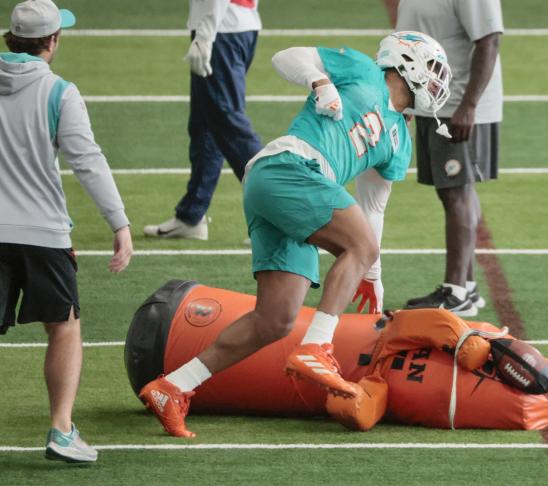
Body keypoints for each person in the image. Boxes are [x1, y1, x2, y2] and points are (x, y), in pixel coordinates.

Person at [138, 31, 452, 437]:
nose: (437, 82)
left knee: (275, 319)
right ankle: (317, 346)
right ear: (407, 60)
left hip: (293, 190)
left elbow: (373, 208)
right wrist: (320, 82)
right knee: (357, 247)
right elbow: (288, 56)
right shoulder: (362, 70)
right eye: (434, 69)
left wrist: (371, 273)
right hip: (287, 168)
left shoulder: (399, 140)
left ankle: (173, 386)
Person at [0, 0, 133, 463]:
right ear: (52, 42)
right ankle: (60, 431)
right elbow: (87, 161)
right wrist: (119, 223)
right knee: (63, 328)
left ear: (9, 38)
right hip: (43, 233)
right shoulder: (60, 92)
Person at [392, 0, 504, 316]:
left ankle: (454, 293)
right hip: (432, 102)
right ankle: (466, 287)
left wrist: (469, 105)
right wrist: (408, 99)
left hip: (456, 105)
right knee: (453, 191)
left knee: (457, 192)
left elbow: (489, 40)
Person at [143, 0, 263, 241]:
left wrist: (205, 35)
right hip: (235, 26)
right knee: (205, 125)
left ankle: (278, 214)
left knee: (230, 126)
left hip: (221, 31)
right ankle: (191, 215)